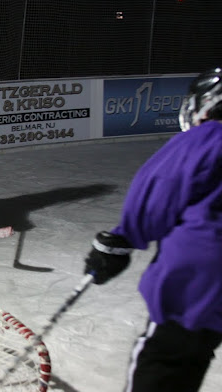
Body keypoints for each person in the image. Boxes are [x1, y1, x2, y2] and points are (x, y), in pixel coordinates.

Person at [83, 67, 222, 392]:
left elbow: (161, 186)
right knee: (195, 351)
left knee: (165, 359)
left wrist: (122, 239)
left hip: (195, 280)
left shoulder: (207, 137)